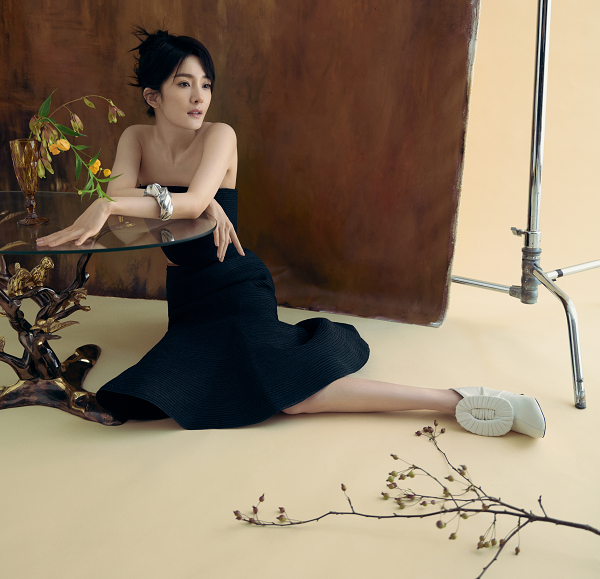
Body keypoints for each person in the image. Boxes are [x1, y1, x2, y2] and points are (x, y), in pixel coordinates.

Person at [36, 29, 546, 438]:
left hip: (235, 282)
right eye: (184, 84)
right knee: (158, 391)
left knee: (291, 398)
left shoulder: (220, 135)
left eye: (206, 84)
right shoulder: (135, 137)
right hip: (189, 299)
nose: (199, 97)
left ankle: (460, 399)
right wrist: (177, 200)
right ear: (153, 95)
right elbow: (124, 198)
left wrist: (175, 200)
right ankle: (457, 398)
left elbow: (141, 202)